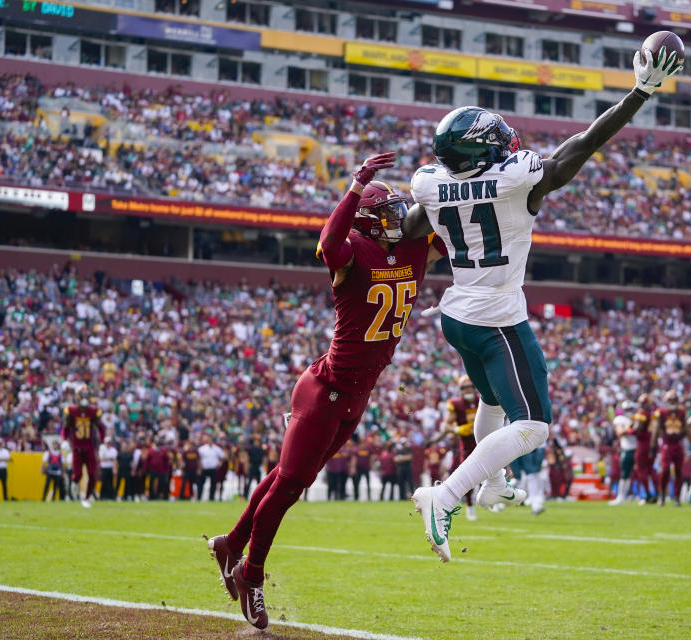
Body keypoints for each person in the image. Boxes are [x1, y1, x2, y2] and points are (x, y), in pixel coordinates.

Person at [402, 41, 683, 560]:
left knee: (490, 402)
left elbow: (410, 227)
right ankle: (446, 495)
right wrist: (640, 94)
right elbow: (581, 146)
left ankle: (490, 484)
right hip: (497, 318)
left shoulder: (429, 185)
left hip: (456, 314)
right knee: (532, 424)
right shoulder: (514, 181)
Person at [206, 152, 445, 630]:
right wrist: (356, 185)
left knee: (288, 478)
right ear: (365, 219)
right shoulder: (351, 251)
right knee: (291, 483)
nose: (396, 220)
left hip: (358, 396)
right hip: (324, 390)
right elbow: (329, 240)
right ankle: (251, 573)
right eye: (385, 215)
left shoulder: (415, 251)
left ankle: (230, 542)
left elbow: (448, 226)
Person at [441, 376, 481, 520]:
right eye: (465, 388)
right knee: (468, 475)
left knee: (493, 469)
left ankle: (494, 498)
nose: (468, 390)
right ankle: (470, 504)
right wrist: (458, 430)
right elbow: (446, 425)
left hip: (484, 439)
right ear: (461, 390)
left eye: (470, 387)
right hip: (467, 444)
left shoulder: (482, 400)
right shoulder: (456, 404)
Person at [61, 386, 104, 508]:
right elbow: (65, 428)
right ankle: (73, 483)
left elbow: (100, 428)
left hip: (89, 447)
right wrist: (64, 440)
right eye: (82, 395)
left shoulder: (93, 411)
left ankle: (86, 498)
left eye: (86, 395)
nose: (84, 398)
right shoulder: (72, 410)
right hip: (77, 448)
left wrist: (101, 441)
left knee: (92, 474)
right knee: (78, 475)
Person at [650, 392, 688, 506]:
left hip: (677, 444)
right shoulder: (661, 413)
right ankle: (661, 495)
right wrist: (652, 446)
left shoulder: (681, 413)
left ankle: (677, 497)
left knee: (678, 471)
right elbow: (656, 430)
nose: (672, 402)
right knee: (665, 470)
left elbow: (686, 429)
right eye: (670, 400)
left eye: (674, 400)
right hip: (666, 444)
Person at [608, 400, 637, 506]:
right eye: (627, 409)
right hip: (627, 448)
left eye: (630, 409)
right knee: (624, 473)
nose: (629, 411)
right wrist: (630, 428)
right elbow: (620, 432)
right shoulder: (621, 420)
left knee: (638, 474)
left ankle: (635, 496)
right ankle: (621, 496)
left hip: (638, 449)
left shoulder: (636, 418)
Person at [198, 433, 225, 501]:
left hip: (213, 469)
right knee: (201, 483)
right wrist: (200, 467)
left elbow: (223, 457)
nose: (210, 441)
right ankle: (199, 497)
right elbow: (198, 458)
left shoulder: (217, 449)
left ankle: (211, 497)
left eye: (211, 440)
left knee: (213, 484)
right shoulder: (202, 448)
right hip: (204, 468)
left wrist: (219, 464)